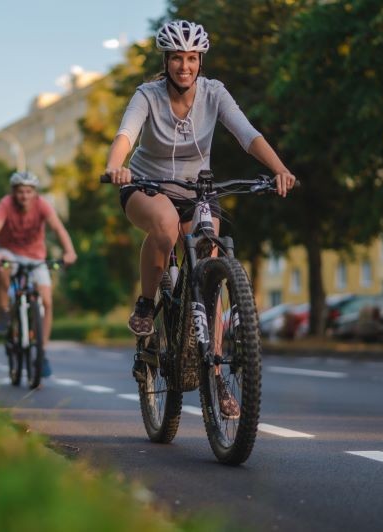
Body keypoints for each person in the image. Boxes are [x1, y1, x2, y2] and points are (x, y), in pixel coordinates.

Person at [104, 20, 296, 417]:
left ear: (200, 60)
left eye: (192, 58)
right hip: (145, 184)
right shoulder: (148, 95)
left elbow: (247, 134)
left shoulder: (214, 93)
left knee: (210, 253)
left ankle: (216, 370)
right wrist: (114, 166)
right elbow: (126, 133)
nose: (184, 66)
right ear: (166, 60)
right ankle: (145, 304)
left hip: (197, 191)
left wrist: (279, 169)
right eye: (177, 58)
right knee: (165, 225)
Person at [0, 171, 77, 378]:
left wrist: (69, 251)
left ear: (34, 193)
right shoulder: (5, 205)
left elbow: (58, 229)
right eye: (20, 192)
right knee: (0, 267)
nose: (24, 196)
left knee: (46, 301)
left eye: (28, 191)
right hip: (10, 252)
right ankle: (3, 312)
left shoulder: (42, 205)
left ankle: (41, 353)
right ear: (13, 193)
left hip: (36, 257)